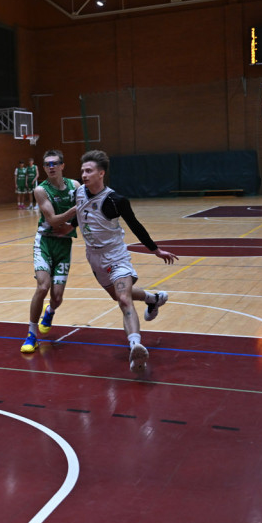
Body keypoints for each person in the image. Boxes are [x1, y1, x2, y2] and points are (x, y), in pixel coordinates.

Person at [75, 149, 178, 374]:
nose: (84, 174)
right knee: (119, 296)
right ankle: (154, 298)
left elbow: (135, 224)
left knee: (123, 298)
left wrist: (155, 250)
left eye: (89, 171)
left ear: (101, 173)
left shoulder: (115, 200)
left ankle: (135, 347)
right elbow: (80, 216)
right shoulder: (79, 192)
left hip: (116, 256)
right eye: (82, 170)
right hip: (94, 257)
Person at [21, 150, 78, 353]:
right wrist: (76, 209)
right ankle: (31, 334)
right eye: (47, 164)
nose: (51, 167)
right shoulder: (40, 190)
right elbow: (53, 220)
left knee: (57, 297)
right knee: (42, 286)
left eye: (54, 163)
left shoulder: (75, 186)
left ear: (62, 165)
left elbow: (86, 213)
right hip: (44, 242)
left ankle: (51, 310)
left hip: (64, 245)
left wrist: (73, 226)